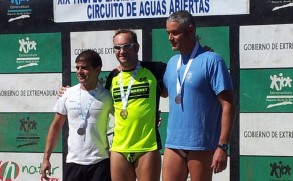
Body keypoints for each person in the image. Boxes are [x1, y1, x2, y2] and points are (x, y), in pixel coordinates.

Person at [162, 10, 235, 181]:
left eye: (175, 32)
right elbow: (163, 92)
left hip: (201, 144)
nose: (170, 38)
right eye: (168, 33)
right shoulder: (172, 63)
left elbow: (228, 105)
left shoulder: (213, 60)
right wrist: (126, 68)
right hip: (173, 143)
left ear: (190, 29)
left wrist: (223, 146)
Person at [41, 50, 113, 181]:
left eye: (85, 68)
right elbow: (56, 126)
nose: (79, 72)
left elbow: (125, 119)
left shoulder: (108, 96)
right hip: (73, 163)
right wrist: (46, 158)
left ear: (97, 70)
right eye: (77, 67)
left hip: (100, 163)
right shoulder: (67, 94)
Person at [105, 29, 166, 181]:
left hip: (147, 147)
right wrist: (66, 91)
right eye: (117, 48)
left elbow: (179, 83)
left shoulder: (155, 70)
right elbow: (93, 96)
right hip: (119, 147)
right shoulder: (112, 77)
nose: (122, 51)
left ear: (137, 47)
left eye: (127, 46)